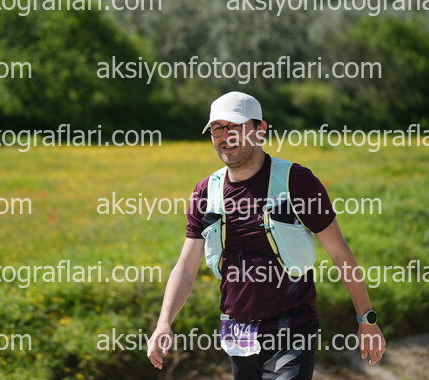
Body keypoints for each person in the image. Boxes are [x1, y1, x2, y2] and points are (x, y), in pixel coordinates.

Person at [147, 91, 386, 379]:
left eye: (234, 127)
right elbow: (186, 267)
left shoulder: (296, 182)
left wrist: (366, 319)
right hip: (237, 332)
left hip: (292, 329)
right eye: (217, 129)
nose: (225, 137)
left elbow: (339, 253)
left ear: (260, 130)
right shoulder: (206, 192)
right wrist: (164, 322)